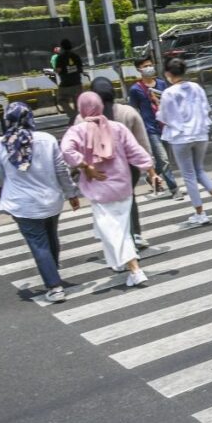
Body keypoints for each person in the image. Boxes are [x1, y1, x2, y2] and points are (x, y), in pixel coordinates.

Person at [0, 102, 80, 303]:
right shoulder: (47, 140)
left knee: (39, 244)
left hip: (22, 205)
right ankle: (52, 270)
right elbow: (61, 170)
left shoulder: (1, 143)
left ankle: (54, 286)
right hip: (51, 200)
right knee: (51, 237)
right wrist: (71, 193)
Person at [60, 92, 153, 287]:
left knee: (114, 231)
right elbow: (136, 151)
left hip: (100, 191)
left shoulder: (77, 131)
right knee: (118, 229)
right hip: (123, 187)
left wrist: (85, 166)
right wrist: (151, 171)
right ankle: (120, 264)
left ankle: (135, 269)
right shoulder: (117, 128)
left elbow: (66, 151)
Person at [88, 77, 161, 250]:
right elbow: (142, 143)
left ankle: (120, 241)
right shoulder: (128, 112)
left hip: (101, 171)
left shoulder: (85, 118)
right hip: (128, 168)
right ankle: (135, 235)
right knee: (129, 199)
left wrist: (81, 170)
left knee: (109, 206)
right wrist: (150, 169)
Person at [156, 57, 212, 225]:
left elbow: (164, 117)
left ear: (168, 74)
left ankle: (200, 213)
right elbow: (207, 109)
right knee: (199, 169)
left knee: (188, 175)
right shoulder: (196, 87)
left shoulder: (169, 93)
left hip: (181, 137)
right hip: (200, 133)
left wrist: (157, 104)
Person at [129, 56, 181, 200]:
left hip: (164, 126)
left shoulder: (161, 84)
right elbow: (133, 110)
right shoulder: (136, 89)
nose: (149, 68)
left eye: (150, 65)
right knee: (164, 159)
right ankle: (174, 188)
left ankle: (152, 175)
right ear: (139, 69)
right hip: (150, 128)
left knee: (163, 160)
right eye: (145, 66)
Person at [54, 39, 84, 124]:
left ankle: (73, 116)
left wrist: (55, 70)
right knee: (77, 103)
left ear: (62, 47)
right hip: (77, 83)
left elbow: (58, 70)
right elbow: (80, 69)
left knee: (61, 100)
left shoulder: (60, 57)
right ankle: (79, 120)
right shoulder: (76, 56)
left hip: (66, 85)